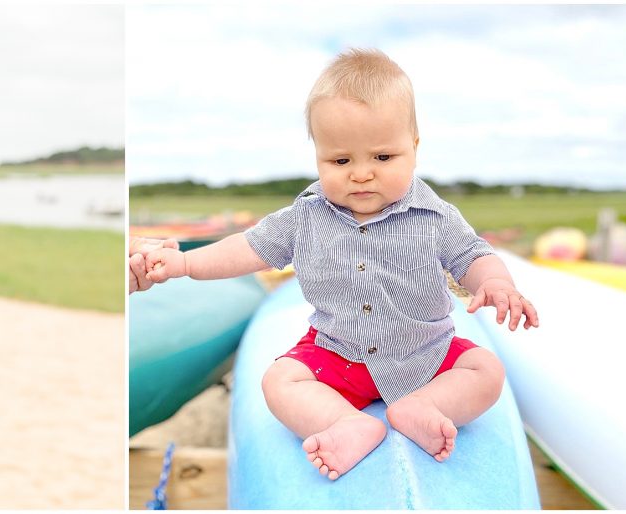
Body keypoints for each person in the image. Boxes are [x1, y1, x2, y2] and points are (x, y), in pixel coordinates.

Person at [145, 48, 540, 481]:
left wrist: (497, 282)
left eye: (383, 158)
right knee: (279, 380)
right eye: (340, 160)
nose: (361, 173)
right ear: (318, 155)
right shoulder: (305, 217)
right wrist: (182, 263)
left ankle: (423, 405)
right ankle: (345, 423)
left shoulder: (436, 217)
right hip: (336, 354)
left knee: (485, 370)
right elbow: (245, 248)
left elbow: (473, 256)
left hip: (426, 353)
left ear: (414, 147)